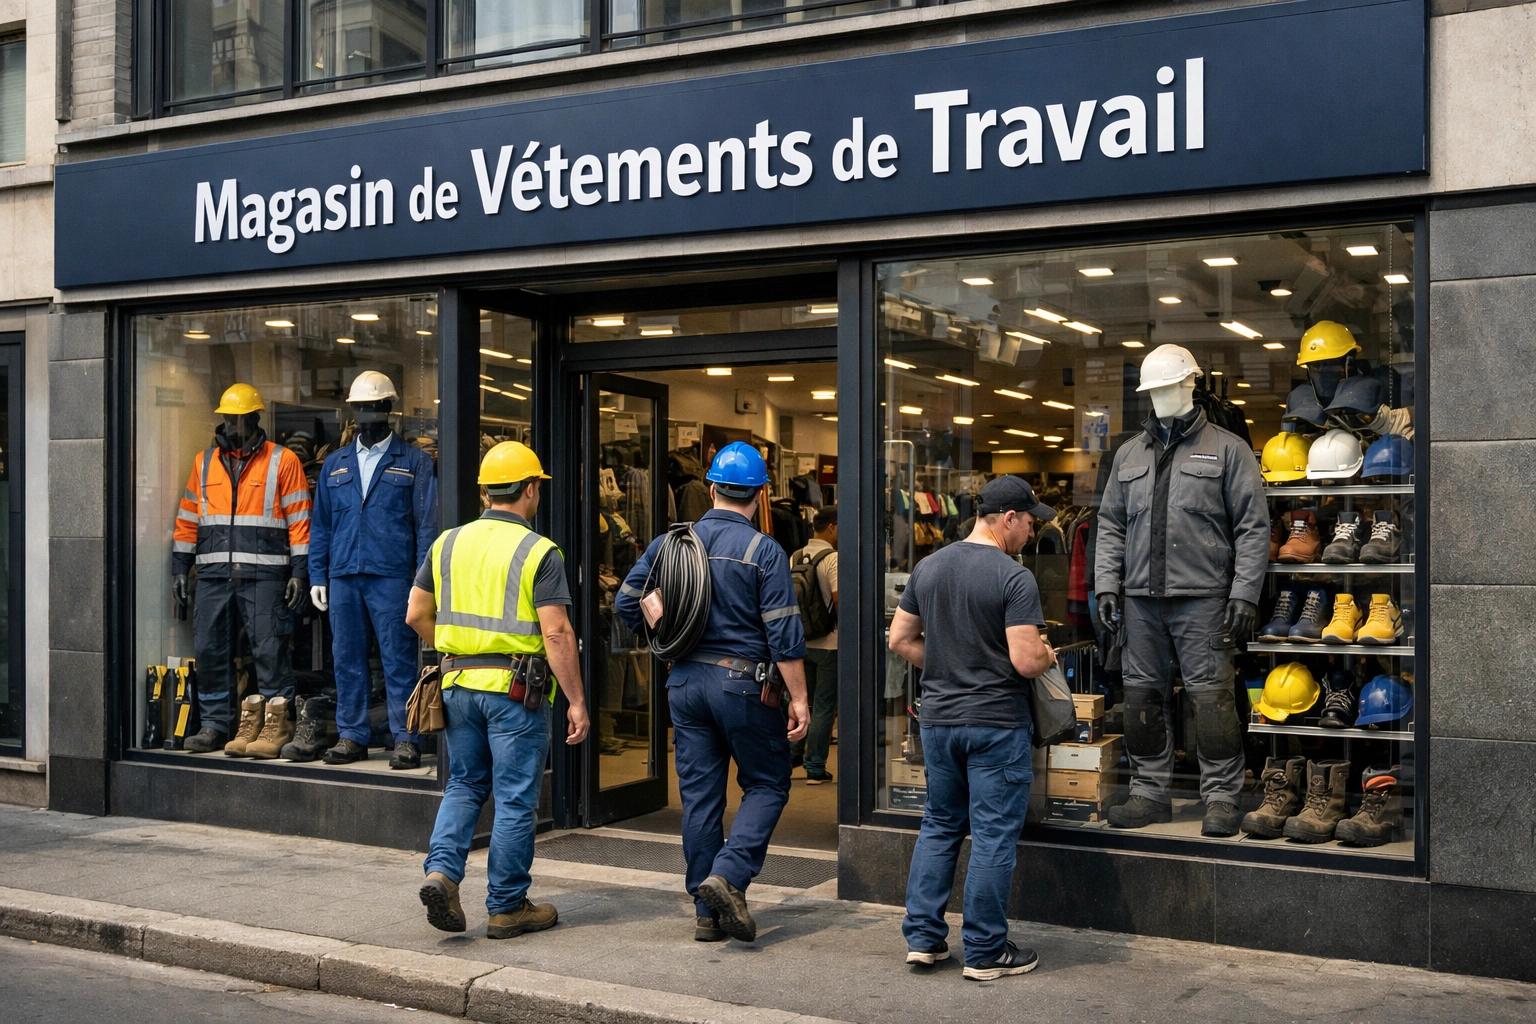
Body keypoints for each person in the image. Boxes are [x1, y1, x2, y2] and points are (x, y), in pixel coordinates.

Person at [615, 441, 810, 944]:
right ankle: (728, 876)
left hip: (684, 682)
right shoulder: (764, 550)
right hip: (744, 685)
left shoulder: (670, 544)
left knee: (700, 798)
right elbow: (784, 634)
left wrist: (667, 635)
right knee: (767, 784)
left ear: (710, 486)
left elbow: (626, 603)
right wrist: (800, 699)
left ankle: (707, 914)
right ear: (760, 493)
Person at [407, 441, 591, 940]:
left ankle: (442, 873)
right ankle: (507, 907)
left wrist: (460, 650)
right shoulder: (539, 551)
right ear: (530, 490)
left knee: (465, 784)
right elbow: (557, 633)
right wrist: (576, 701)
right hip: (515, 692)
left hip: (457, 684)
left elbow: (416, 614)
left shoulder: (446, 543)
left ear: (485, 492)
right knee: (513, 798)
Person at [888, 475, 1057, 981]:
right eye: (1029, 523)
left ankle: (923, 940)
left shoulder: (929, 566)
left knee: (940, 825)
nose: (1031, 532)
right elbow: (1025, 661)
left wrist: (947, 664)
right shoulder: (1013, 577)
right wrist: (1048, 654)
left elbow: (899, 640)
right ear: (1008, 518)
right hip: (996, 723)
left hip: (939, 722)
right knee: (991, 835)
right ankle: (985, 951)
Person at [790, 505, 838, 785]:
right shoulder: (833, 559)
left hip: (801, 641)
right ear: (831, 527)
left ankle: (793, 754)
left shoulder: (795, 556)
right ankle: (815, 767)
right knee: (823, 706)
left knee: (800, 701)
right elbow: (839, 600)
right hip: (829, 643)